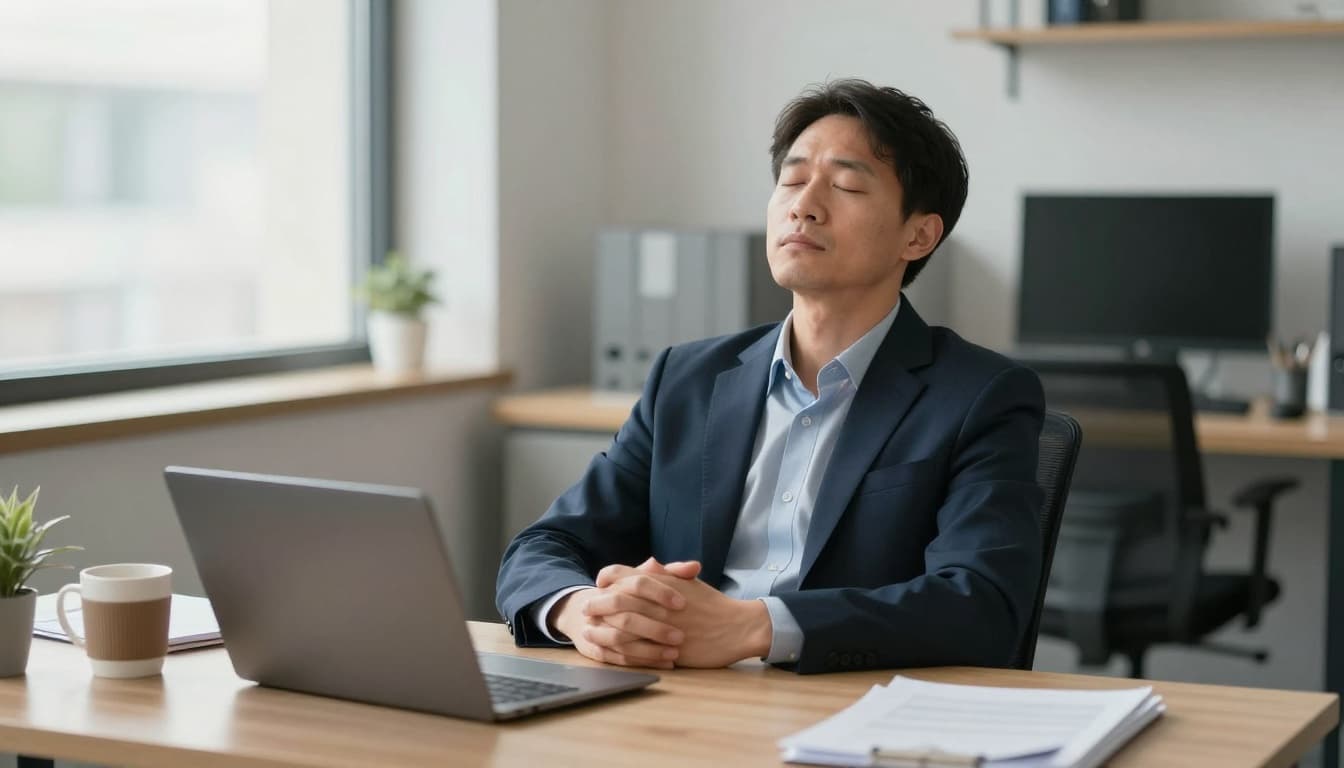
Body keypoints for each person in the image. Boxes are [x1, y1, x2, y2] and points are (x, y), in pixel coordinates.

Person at [496, 78, 1044, 674]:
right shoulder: (687, 378)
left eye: (846, 184)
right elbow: (544, 546)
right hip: (674, 698)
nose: (803, 204)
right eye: (791, 178)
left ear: (918, 235)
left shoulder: (978, 396)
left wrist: (755, 627)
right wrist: (582, 612)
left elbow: (982, 605)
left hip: (843, 707)